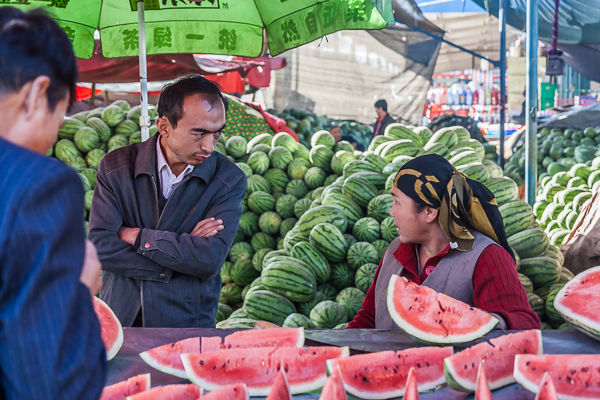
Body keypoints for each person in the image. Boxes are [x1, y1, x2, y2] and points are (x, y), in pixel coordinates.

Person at [0, 7, 106, 399]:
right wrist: (78, 291)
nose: (52, 138)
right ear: (36, 93)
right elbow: (51, 386)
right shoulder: (39, 186)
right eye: (60, 116)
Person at [89, 75, 247, 328]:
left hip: (186, 321)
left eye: (217, 134)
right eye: (199, 133)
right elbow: (100, 247)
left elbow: (209, 260)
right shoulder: (115, 167)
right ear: (163, 127)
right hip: (121, 318)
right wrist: (180, 255)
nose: (209, 146)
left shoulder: (229, 180)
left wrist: (138, 237)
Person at [347, 154, 540, 330]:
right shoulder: (395, 251)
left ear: (430, 212)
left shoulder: (487, 256)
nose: (391, 212)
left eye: (397, 202)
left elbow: (526, 322)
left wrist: (482, 323)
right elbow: (369, 318)